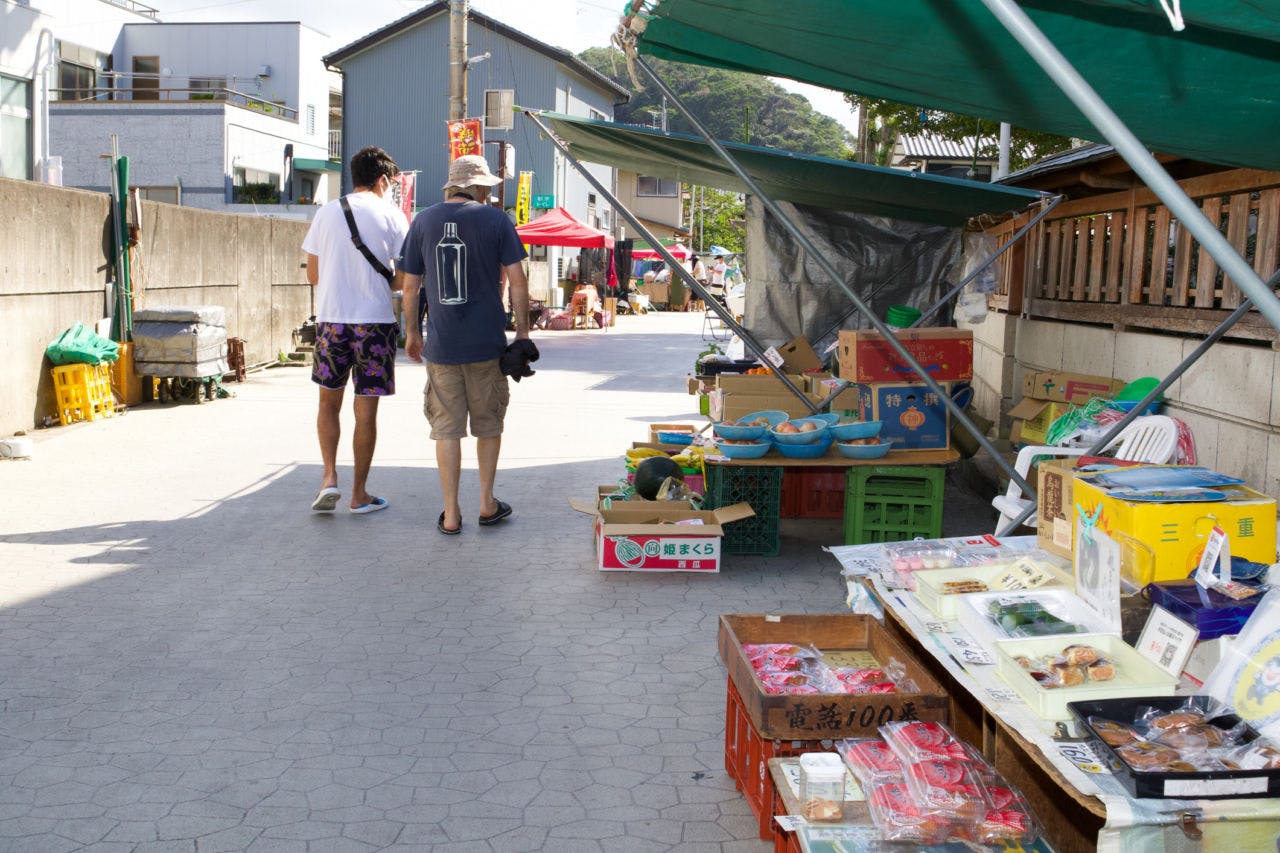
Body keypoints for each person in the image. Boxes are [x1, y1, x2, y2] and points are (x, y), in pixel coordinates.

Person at [400, 154, 532, 535]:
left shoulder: (423, 221)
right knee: (488, 425)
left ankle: (452, 513)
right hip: (487, 344)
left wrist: (413, 333)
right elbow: (518, 281)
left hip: (441, 347)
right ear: (479, 188)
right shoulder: (496, 220)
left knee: (447, 429)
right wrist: (522, 333)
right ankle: (487, 504)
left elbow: (410, 285)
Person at [302, 145, 408, 515]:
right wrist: (381, 280)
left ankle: (329, 477)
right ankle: (358, 494)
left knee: (328, 403)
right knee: (366, 413)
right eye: (392, 182)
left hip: (332, 321)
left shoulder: (326, 212)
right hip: (375, 324)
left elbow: (313, 275)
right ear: (382, 179)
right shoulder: (394, 216)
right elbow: (404, 280)